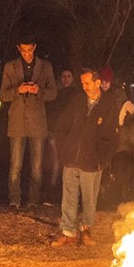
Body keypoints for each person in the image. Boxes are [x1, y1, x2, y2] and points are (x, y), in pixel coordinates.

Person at [50, 68, 121, 247]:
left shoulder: (110, 104)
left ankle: (86, 230)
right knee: (69, 196)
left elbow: (112, 137)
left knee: (89, 198)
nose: (85, 87)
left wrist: (101, 158)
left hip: (92, 161)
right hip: (71, 158)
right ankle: (68, 233)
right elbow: (62, 125)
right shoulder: (76, 101)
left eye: (87, 83)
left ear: (98, 83)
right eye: (82, 84)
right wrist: (64, 148)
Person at [0, 33, 57, 210]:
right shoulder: (10, 67)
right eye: (23, 51)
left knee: (37, 166)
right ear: (19, 49)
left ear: (34, 47)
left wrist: (38, 91)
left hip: (38, 123)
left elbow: (53, 93)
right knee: (15, 164)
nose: (27, 54)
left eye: (29, 50)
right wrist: (18, 89)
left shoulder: (45, 67)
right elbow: (3, 95)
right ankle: (14, 200)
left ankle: (33, 201)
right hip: (17, 122)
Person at [43, 68, 79, 206]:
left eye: (69, 76)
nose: (66, 79)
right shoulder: (54, 94)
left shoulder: (76, 95)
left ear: (73, 78)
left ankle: (67, 197)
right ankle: (51, 194)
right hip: (54, 132)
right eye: (63, 76)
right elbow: (50, 113)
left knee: (68, 165)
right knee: (55, 164)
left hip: (70, 135)